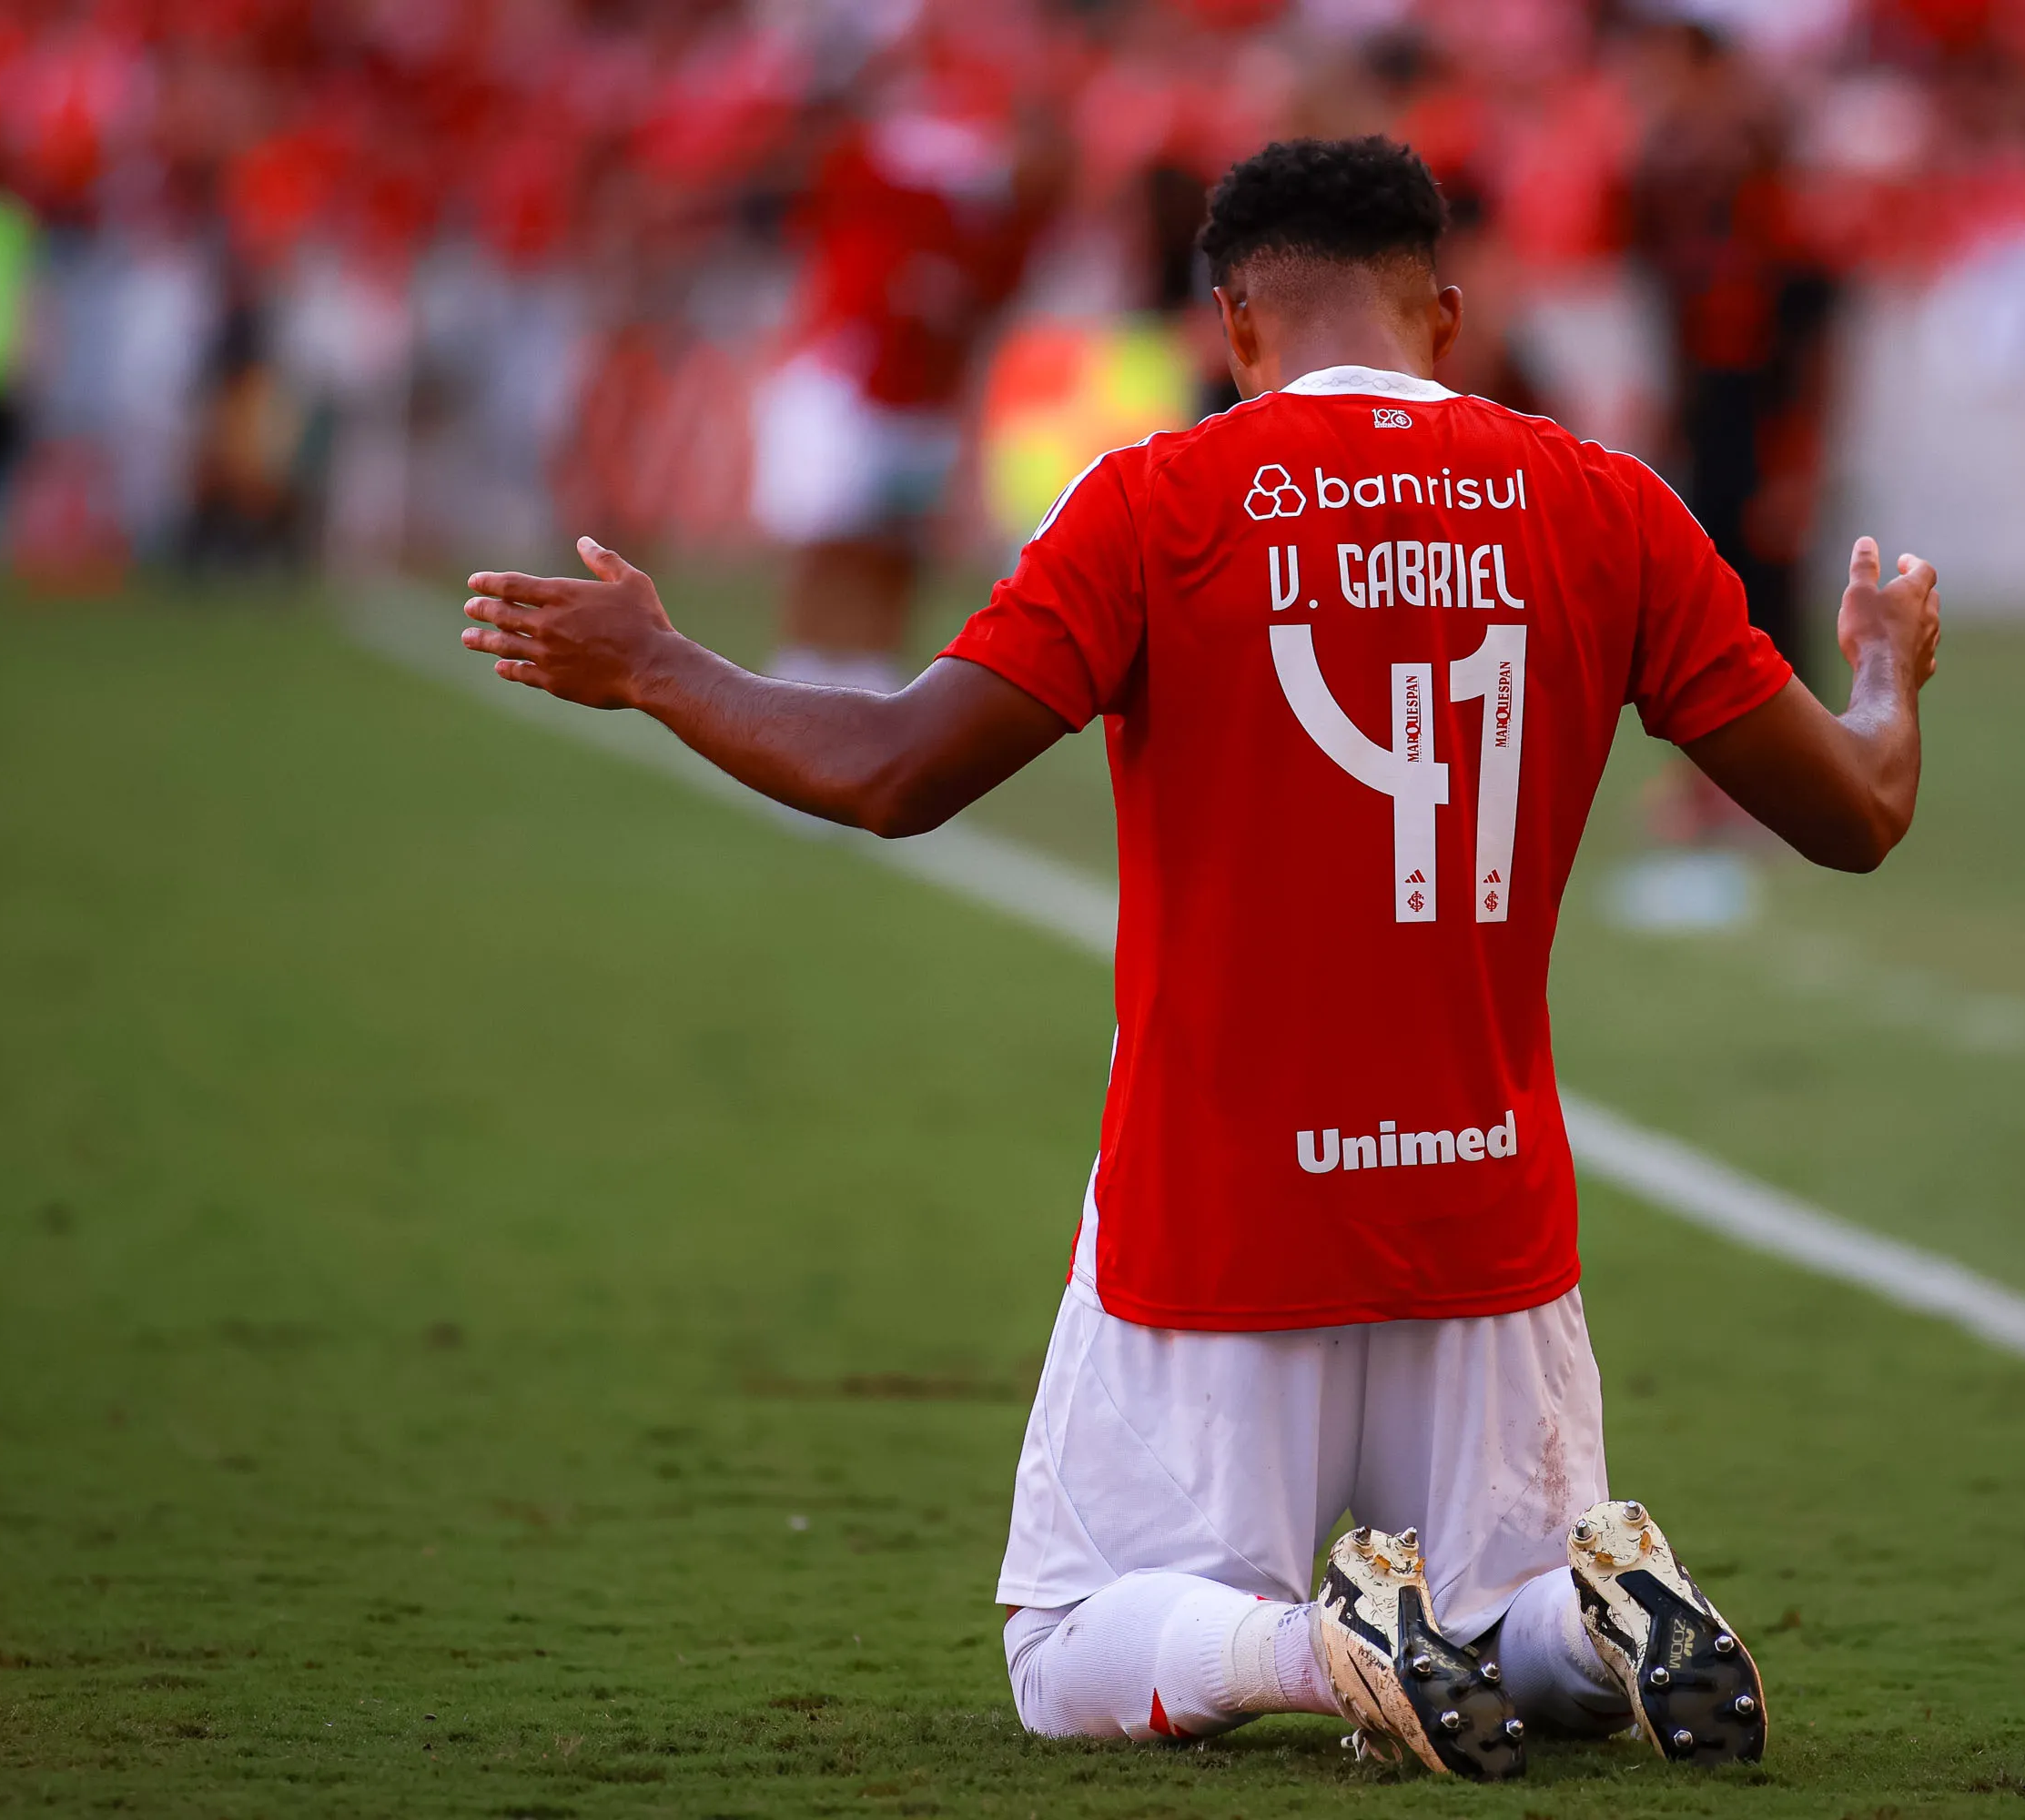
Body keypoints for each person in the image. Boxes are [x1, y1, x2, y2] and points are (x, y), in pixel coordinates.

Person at [460, 136, 1939, 1779]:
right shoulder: (1605, 503)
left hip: (1220, 1220)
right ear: (1443, 316)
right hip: (1483, 1220)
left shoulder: (1160, 502)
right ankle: (1595, 1624)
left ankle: (1321, 1645)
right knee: (1514, 1598)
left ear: (1234, 325)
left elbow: (890, 772)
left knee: (1066, 1646)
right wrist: (1884, 673)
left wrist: (662, 665)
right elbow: (1857, 814)